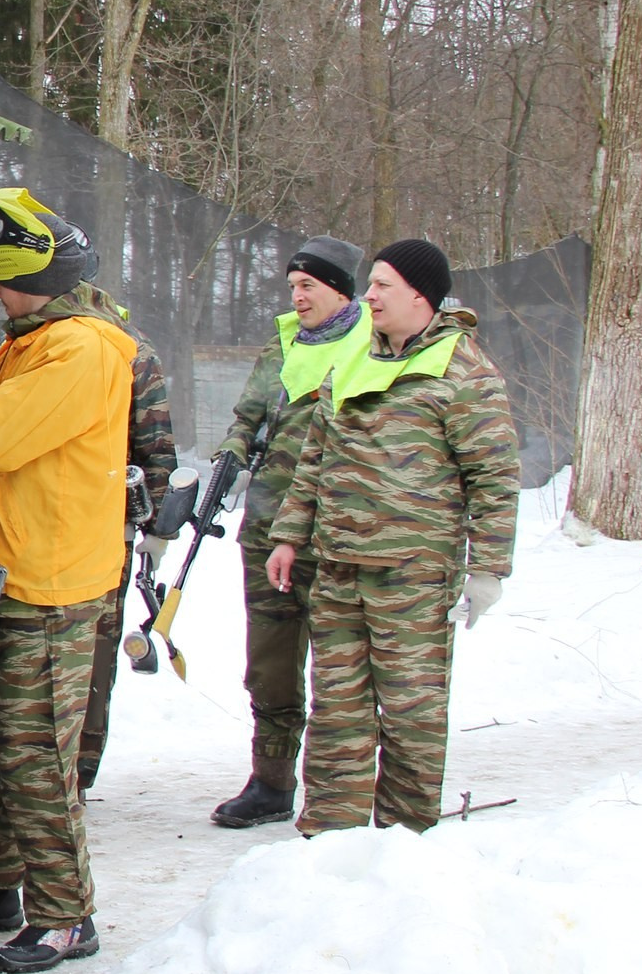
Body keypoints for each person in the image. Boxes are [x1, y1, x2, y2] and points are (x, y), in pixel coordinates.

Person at [0, 189, 133, 974]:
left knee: (37, 753)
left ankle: (67, 914)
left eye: (3, 281)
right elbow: (2, 415)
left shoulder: (80, 349)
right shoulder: (36, 338)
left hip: (52, 588)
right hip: (9, 579)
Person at [264, 239, 517, 837]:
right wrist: (290, 536)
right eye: (369, 284)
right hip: (339, 571)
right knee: (338, 712)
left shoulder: (464, 370)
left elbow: (495, 477)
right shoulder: (352, 360)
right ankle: (330, 839)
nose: (368, 295)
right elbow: (315, 458)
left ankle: (405, 846)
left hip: (413, 577)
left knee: (411, 715)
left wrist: (489, 570)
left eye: (381, 285)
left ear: (419, 295)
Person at [205, 237, 372, 828]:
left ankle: (341, 789)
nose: (297, 297)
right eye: (292, 287)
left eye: (309, 287)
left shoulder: (372, 349)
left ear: (340, 291)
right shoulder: (282, 344)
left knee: (339, 664)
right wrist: (230, 455)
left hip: (336, 534)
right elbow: (248, 417)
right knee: (271, 663)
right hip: (267, 529)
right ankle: (271, 783)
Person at [76, 327, 177, 794]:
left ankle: (75, 768)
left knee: (94, 653)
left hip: (104, 528)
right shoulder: (23, 339)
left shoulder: (130, 349)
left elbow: (157, 446)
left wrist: (159, 529)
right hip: (32, 523)